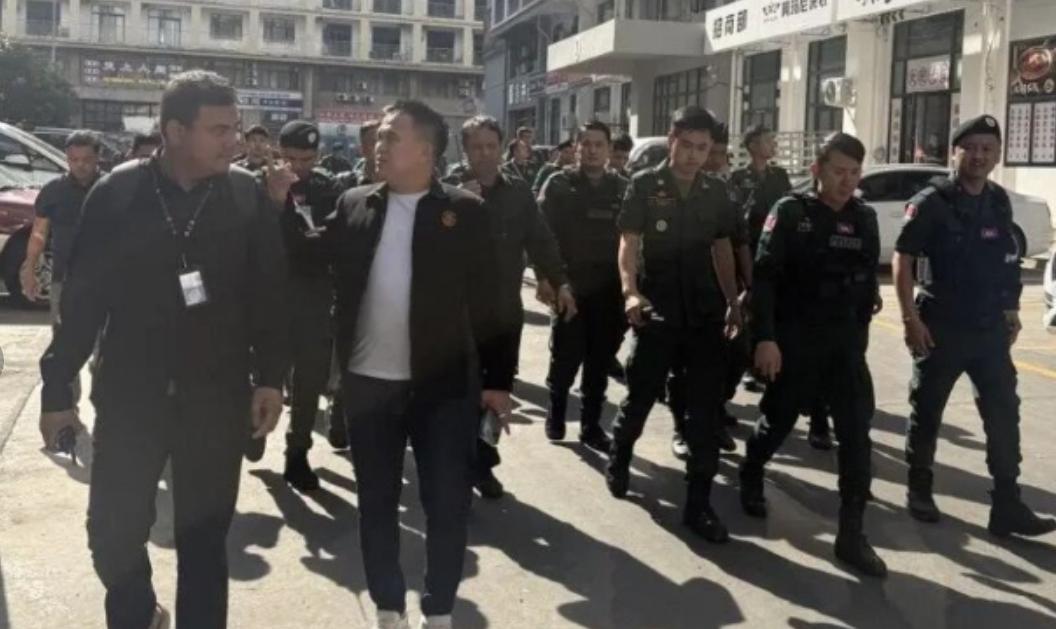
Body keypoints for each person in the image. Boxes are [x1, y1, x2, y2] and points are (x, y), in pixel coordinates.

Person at [37, 70, 292, 629]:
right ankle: (138, 613)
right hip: (132, 397)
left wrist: (272, 377)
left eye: (236, 128)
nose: (234, 141)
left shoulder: (243, 196)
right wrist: (57, 390)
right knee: (112, 534)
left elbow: (270, 295)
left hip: (215, 400)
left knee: (204, 543)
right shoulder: (120, 193)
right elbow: (83, 300)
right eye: (219, 130)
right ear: (175, 131)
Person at [329, 100, 514, 629]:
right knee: (376, 503)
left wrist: (497, 381)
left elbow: (492, 303)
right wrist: (277, 206)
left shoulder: (464, 211)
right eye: (379, 137)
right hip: (369, 386)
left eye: (391, 137)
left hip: (442, 389)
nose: (378, 145)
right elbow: (316, 256)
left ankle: (439, 611)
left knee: (446, 504)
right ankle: (389, 608)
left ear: (426, 151)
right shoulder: (355, 203)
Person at [893, 115, 1056, 537]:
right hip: (941, 326)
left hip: (988, 331)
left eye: (988, 148)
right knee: (928, 410)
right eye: (971, 148)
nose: (979, 156)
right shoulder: (931, 202)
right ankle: (919, 489)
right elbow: (903, 258)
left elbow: (1007, 261)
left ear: (997, 155)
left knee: (1004, 414)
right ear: (955, 153)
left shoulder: (999, 201)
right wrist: (910, 319)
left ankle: (1007, 504)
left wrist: (1012, 309)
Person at [739, 132, 886, 577]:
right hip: (796, 343)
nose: (847, 181)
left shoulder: (864, 217)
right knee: (777, 422)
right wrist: (765, 339)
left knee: (857, 437)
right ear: (817, 169)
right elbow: (765, 279)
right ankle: (751, 470)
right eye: (839, 171)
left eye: (855, 173)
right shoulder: (791, 212)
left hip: (845, 348)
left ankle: (851, 534)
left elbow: (867, 279)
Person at [606, 106, 742, 543]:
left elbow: (722, 248)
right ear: (672, 141)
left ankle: (699, 504)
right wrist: (630, 290)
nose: (694, 156)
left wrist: (733, 301)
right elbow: (629, 242)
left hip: (703, 313)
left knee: (704, 409)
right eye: (687, 146)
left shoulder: (715, 190)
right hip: (658, 308)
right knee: (642, 394)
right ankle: (620, 456)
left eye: (703, 148)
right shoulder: (646, 185)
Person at [443, 115, 573, 499]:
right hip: (454, 316)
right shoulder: (444, 191)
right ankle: (454, 463)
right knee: (456, 395)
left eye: (491, 146)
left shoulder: (518, 192)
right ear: (464, 149)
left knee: (496, 391)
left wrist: (559, 281)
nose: (484, 154)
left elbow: (541, 239)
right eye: (476, 147)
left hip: (502, 314)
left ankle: (484, 462)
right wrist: (452, 205)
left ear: (501, 148)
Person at [538, 121, 627, 452]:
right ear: (576, 148)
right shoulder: (559, 185)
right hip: (570, 288)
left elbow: (633, 240)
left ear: (608, 150)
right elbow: (542, 235)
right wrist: (547, 279)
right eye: (586, 144)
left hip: (609, 291)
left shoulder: (622, 188)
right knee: (565, 357)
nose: (592, 150)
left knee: (599, 361)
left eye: (599, 144)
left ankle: (591, 426)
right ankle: (556, 413)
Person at [665, 121, 747, 458]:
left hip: (724, 291)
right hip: (685, 292)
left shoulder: (726, 192)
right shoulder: (668, 187)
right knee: (684, 368)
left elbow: (738, 241)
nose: (711, 159)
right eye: (705, 151)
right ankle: (683, 427)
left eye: (717, 153)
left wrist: (745, 289)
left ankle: (714, 415)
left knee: (731, 360)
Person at [272, 120, 346, 492]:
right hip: (269, 296)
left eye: (307, 159)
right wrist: (274, 200)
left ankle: (297, 452)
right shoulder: (255, 185)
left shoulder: (328, 188)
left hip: (314, 295)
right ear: (278, 153)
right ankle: (252, 428)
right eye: (291, 159)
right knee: (263, 371)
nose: (298, 167)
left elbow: (339, 234)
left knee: (309, 379)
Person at [20, 130, 103, 404]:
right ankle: (66, 409)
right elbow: (39, 233)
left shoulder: (111, 188)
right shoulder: (54, 191)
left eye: (86, 159)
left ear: (97, 158)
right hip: (64, 281)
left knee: (106, 347)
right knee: (65, 346)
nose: (80, 165)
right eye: (74, 159)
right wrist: (30, 269)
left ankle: (105, 406)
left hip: (106, 280)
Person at [730, 125, 792, 395]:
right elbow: (735, 218)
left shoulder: (779, 176)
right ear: (753, 145)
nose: (773, 144)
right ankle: (749, 366)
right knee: (749, 308)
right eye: (768, 140)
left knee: (773, 308)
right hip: (748, 251)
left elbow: (789, 209)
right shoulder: (738, 178)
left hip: (775, 252)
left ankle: (769, 363)